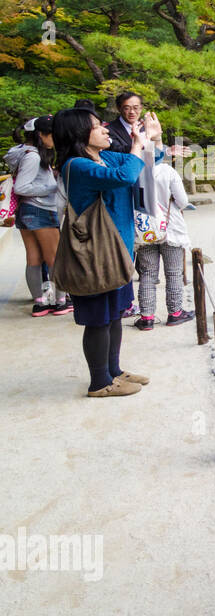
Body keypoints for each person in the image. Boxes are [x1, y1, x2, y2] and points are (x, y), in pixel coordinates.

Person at [53, 106, 152, 397]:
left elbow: (146, 161)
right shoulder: (76, 166)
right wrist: (136, 146)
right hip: (94, 254)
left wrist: (150, 140)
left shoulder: (105, 156)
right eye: (98, 126)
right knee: (98, 319)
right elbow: (124, 176)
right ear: (79, 133)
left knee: (114, 315)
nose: (106, 129)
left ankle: (114, 371)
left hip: (117, 249)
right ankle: (99, 383)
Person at [5, 116, 71, 316]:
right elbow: (22, 186)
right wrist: (51, 186)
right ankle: (60, 301)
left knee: (34, 258)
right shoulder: (33, 156)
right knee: (54, 258)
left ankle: (40, 302)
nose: (55, 138)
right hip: (40, 210)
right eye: (52, 134)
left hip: (27, 212)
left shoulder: (22, 152)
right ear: (41, 135)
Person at [133, 152, 195, 330]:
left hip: (145, 232)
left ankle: (147, 317)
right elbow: (182, 201)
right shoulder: (167, 171)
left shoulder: (134, 172)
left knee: (148, 275)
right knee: (174, 273)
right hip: (170, 230)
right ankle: (175, 313)